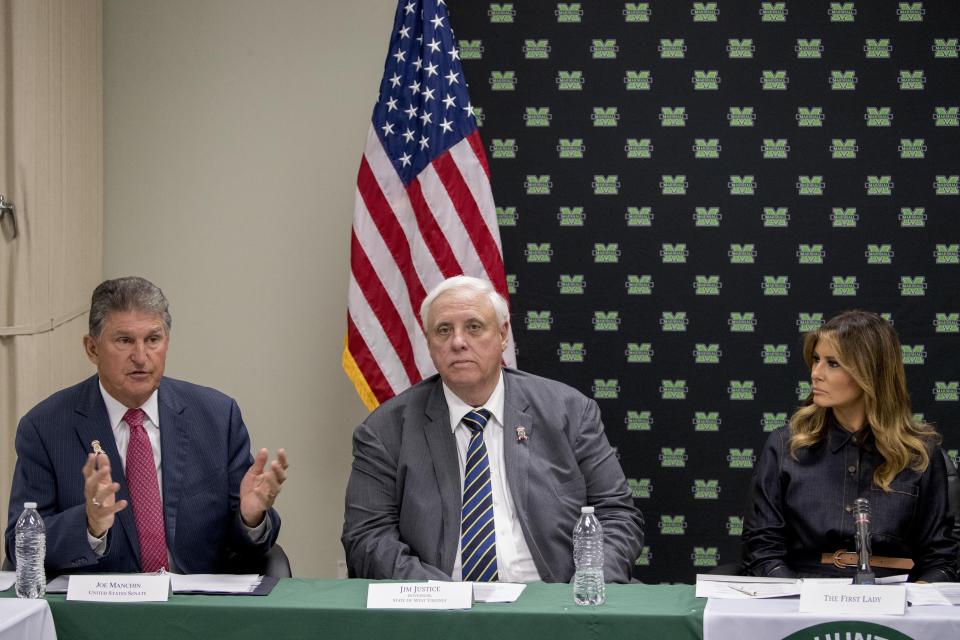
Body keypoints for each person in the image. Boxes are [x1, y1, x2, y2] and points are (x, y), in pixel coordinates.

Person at [342, 275, 643, 583]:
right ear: (429, 343)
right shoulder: (385, 430)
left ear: (502, 335)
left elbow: (616, 515)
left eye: (474, 327)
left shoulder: (568, 411)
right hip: (440, 615)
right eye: (443, 330)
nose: (458, 342)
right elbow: (368, 537)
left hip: (557, 604)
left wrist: (589, 585)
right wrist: (438, 597)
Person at [4, 276, 288, 574]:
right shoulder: (46, 427)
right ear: (92, 349)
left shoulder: (217, 417)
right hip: (97, 612)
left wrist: (250, 517)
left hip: (196, 608)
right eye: (124, 340)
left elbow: (247, 545)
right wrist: (90, 525)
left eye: (152, 340)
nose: (141, 357)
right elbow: (19, 545)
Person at [743, 310, 958, 581]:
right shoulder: (786, 446)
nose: (816, 373)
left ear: (870, 372)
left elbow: (940, 559)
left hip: (895, 601)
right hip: (802, 596)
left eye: (833, 363)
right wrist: (794, 601)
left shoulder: (920, 454)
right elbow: (763, 550)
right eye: (816, 359)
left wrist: (913, 605)